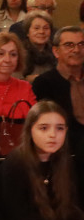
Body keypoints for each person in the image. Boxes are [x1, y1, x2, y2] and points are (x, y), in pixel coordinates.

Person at [32, 26, 84, 165]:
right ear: (56, 51)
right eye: (69, 45)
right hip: (63, 156)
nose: (77, 50)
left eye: (81, 44)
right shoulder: (44, 83)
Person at [22, 11, 56, 81]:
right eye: (36, 28)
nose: (41, 32)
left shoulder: (56, 52)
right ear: (27, 32)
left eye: (46, 28)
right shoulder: (19, 53)